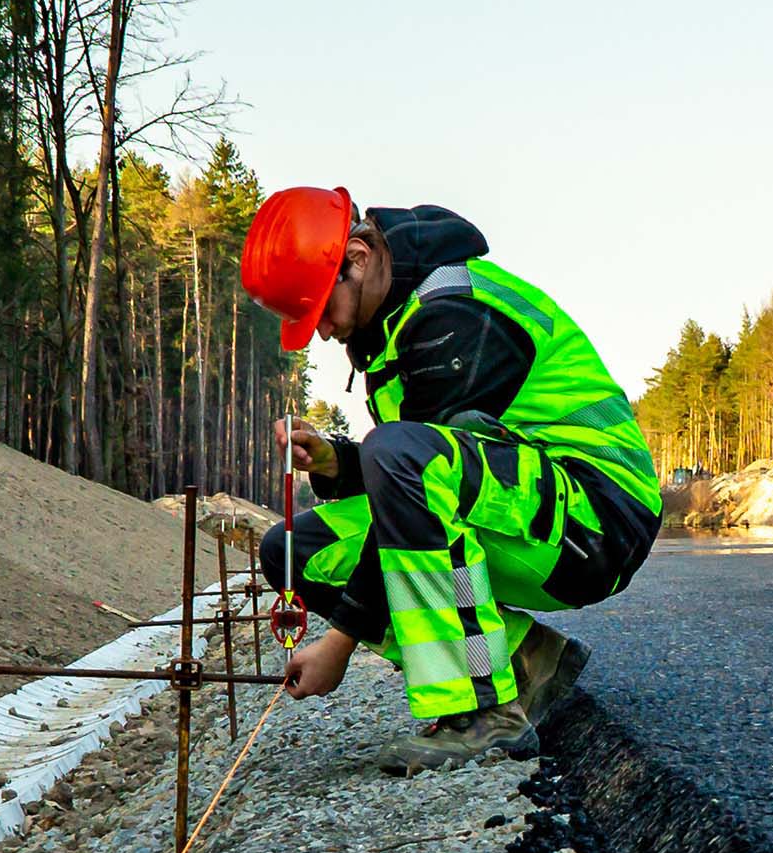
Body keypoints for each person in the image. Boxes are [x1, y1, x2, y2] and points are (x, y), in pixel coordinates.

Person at [235, 188, 662, 759]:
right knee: (294, 549)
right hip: (526, 506)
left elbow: (417, 472)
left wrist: (338, 642)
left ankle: (482, 710)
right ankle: (522, 661)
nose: (322, 333)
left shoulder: (451, 315)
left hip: (597, 519)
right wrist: (339, 462)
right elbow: (422, 480)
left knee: (399, 456)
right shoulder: (389, 327)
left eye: (320, 311)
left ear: (357, 259)